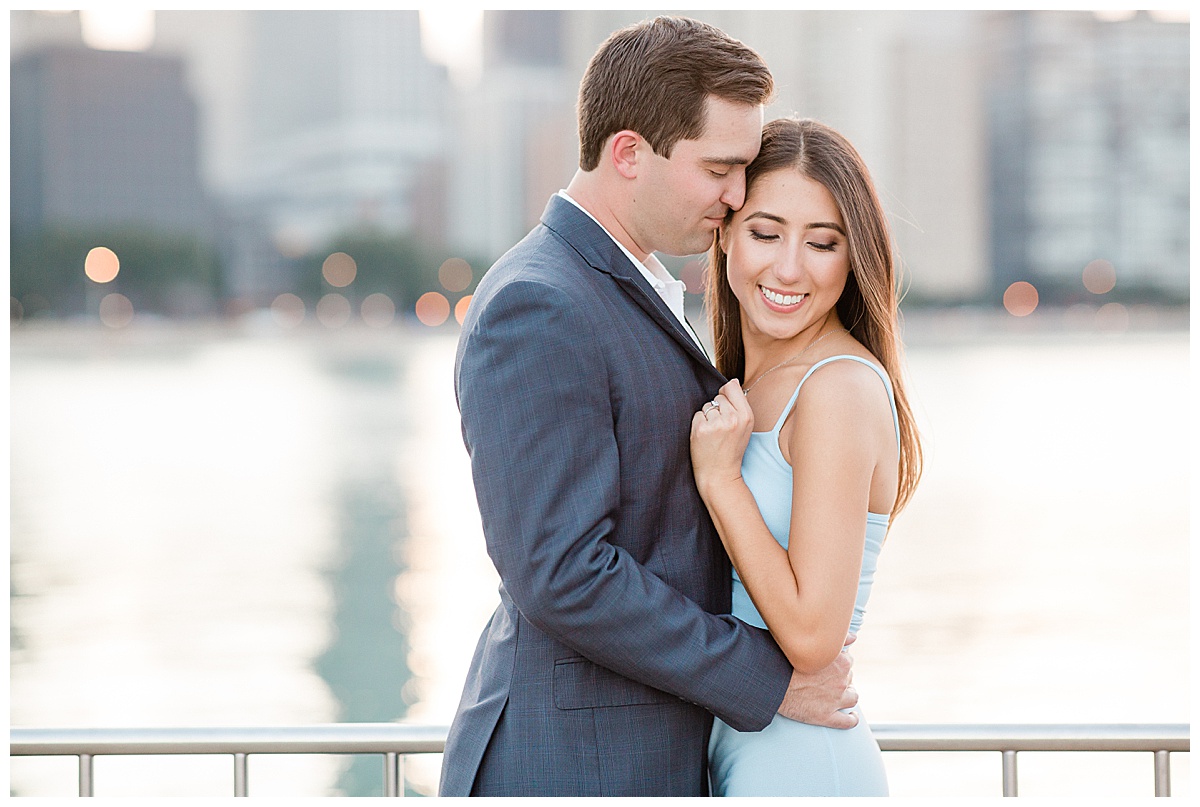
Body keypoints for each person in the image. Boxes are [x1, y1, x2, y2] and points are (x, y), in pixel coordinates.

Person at [440, 18, 859, 798]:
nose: (737, 195)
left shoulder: (625, 284)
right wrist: (764, 681)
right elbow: (562, 572)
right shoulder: (540, 302)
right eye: (720, 169)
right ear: (629, 153)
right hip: (573, 766)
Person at [690, 117, 924, 796]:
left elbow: (813, 636)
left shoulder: (838, 388)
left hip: (801, 764)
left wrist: (721, 480)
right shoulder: (744, 383)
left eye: (822, 243)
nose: (788, 267)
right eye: (765, 233)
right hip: (740, 749)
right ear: (725, 233)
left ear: (853, 259)